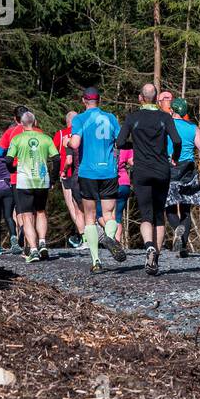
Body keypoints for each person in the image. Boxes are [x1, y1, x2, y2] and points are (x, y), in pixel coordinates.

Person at [117, 83, 182, 275]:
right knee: (158, 214)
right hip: (162, 169)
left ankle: (149, 247)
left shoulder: (132, 118)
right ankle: (156, 258)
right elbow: (177, 140)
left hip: (141, 170)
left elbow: (120, 143)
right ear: (156, 99)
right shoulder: (164, 117)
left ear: (140, 98)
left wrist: (135, 144)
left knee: (146, 213)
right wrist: (175, 157)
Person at [69, 86, 127, 273]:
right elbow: (121, 141)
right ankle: (109, 237)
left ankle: (96, 261)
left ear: (84, 100)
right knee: (110, 215)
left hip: (88, 172)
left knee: (90, 217)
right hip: (109, 171)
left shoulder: (80, 119)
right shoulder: (111, 118)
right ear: (99, 100)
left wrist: (68, 142)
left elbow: (76, 143)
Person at [6, 111, 58, 262]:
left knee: (27, 215)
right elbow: (56, 159)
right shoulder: (45, 138)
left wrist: (13, 170)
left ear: (21, 124)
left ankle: (33, 250)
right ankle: (42, 242)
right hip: (42, 181)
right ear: (35, 123)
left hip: (24, 182)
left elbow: (8, 160)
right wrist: (53, 178)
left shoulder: (17, 139)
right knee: (41, 211)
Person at [165, 97, 200, 258]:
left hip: (169, 169)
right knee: (185, 209)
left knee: (169, 207)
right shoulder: (193, 128)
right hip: (188, 172)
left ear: (172, 110)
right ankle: (182, 246)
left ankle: (177, 231)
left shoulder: (166, 126)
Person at [0, 104, 29, 252]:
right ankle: (35, 241)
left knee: (18, 210)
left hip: (16, 175)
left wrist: (7, 156)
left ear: (14, 118)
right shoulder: (37, 131)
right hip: (35, 175)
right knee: (34, 210)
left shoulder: (11, 132)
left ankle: (20, 236)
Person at [54, 111, 83, 249]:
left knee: (73, 207)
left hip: (66, 173)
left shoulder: (60, 134)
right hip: (81, 172)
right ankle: (82, 234)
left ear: (67, 121)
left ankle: (82, 236)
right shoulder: (82, 132)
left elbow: (54, 154)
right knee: (83, 206)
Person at [114, 148, 133, 242]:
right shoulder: (125, 148)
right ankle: (117, 241)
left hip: (107, 183)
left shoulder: (103, 146)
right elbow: (133, 162)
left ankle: (110, 237)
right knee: (118, 216)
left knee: (101, 214)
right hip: (123, 183)